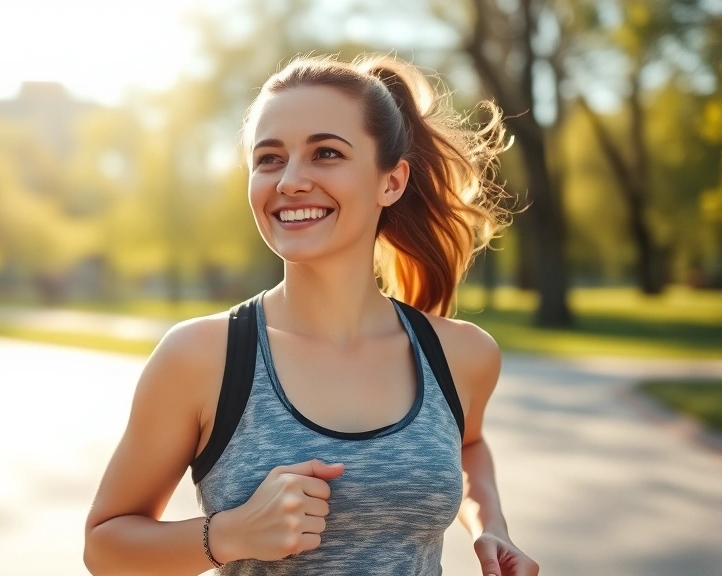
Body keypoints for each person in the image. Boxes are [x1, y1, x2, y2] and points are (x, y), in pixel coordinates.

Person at [83, 53, 539, 576]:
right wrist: (230, 534)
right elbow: (104, 546)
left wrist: (491, 527)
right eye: (269, 158)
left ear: (391, 182)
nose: (291, 181)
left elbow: (469, 445)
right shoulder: (202, 358)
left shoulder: (462, 355)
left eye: (325, 153)